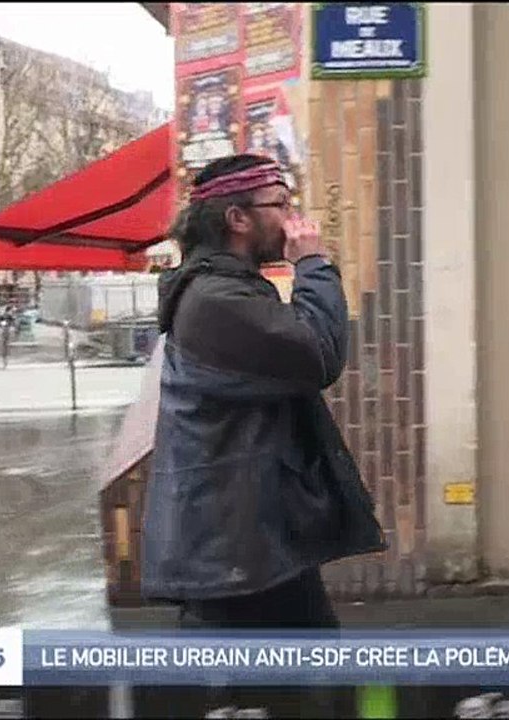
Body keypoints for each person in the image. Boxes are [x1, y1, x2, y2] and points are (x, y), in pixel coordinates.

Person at [141, 153, 385, 629]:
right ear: (238, 219)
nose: (293, 219)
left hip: (249, 540)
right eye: (281, 203)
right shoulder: (217, 300)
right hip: (233, 550)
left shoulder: (227, 291)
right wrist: (313, 264)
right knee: (275, 686)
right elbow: (318, 354)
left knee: (293, 681)